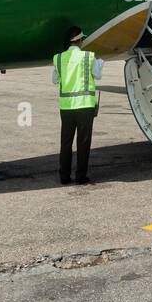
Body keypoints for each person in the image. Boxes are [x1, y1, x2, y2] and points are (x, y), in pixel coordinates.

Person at [51, 26, 103, 184]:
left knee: (66, 142)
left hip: (66, 107)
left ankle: (64, 176)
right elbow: (98, 75)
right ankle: (81, 176)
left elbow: (55, 80)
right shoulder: (88, 57)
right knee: (83, 142)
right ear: (80, 41)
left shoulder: (58, 58)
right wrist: (100, 63)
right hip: (85, 106)